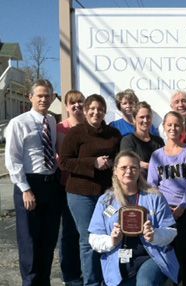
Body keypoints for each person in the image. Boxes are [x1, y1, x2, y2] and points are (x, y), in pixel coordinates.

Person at [88, 150, 179, 286]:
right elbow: (93, 238)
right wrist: (111, 240)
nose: (128, 171)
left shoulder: (155, 197)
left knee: (145, 283)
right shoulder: (106, 201)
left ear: (139, 171)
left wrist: (154, 235)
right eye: (123, 168)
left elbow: (171, 231)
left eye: (133, 167)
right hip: (118, 258)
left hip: (151, 256)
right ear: (115, 171)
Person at [60, 94, 122, 286]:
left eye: (100, 109)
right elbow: (64, 162)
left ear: (105, 112)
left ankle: (108, 280)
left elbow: (121, 161)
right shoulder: (76, 133)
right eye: (92, 109)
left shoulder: (113, 134)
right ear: (85, 111)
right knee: (88, 240)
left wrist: (112, 164)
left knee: (108, 237)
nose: (96, 112)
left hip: (106, 196)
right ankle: (91, 282)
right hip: (81, 194)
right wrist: (92, 163)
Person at [5, 79, 62, 286]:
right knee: (29, 244)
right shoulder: (18, 123)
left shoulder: (52, 121)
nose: (44, 99)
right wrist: (25, 189)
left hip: (51, 184)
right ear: (30, 97)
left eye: (47, 95)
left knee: (48, 242)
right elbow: (12, 159)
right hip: (30, 185)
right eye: (39, 95)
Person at [148, 111, 186, 286]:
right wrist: (163, 208)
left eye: (176, 125)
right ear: (164, 127)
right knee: (167, 251)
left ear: (182, 128)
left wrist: (182, 206)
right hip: (164, 210)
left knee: (185, 253)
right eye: (169, 124)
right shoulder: (157, 155)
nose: (173, 128)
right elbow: (152, 185)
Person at [56, 90, 85, 285]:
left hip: (87, 186)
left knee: (85, 233)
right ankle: (71, 277)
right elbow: (58, 158)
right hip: (66, 186)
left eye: (80, 102)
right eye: (72, 103)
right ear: (66, 106)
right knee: (68, 233)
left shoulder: (89, 127)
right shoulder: (59, 128)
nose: (77, 106)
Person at [120, 101, 164, 178]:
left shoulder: (158, 141)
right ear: (134, 119)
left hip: (158, 185)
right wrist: (150, 166)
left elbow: (165, 163)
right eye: (142, 117)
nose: (145, 120)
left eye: (148, 117)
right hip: (137, 186)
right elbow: (127, 163)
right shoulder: (128, 141)